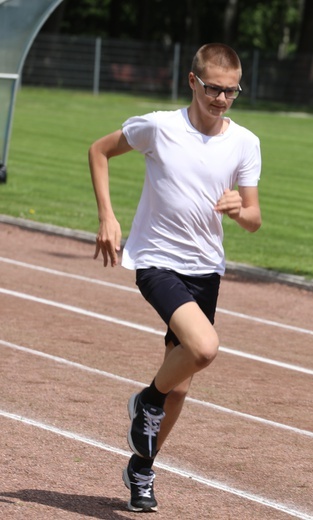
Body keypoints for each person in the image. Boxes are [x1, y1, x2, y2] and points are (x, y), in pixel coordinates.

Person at [89, 42, 262, 513]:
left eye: (231, 92)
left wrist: (239, 211)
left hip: (207, 269)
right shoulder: (160, 127)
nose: (221, 99)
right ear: (192, 81)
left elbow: (254, 217)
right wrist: (108, 217)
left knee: (181, 386)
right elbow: (99, 151)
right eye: (213, 89)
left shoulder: (245, 142)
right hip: (157, 261)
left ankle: (141, 469)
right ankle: (146, 399)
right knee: (203, 348)